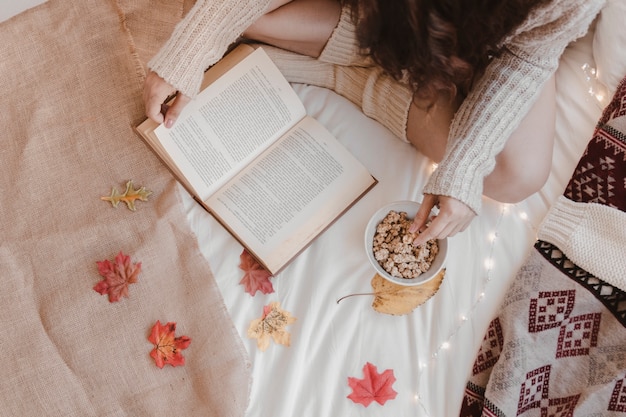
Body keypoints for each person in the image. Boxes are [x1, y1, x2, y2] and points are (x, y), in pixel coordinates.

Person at [143, 0, 605, 246]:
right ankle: (360, 51)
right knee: (215, 11)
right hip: (379, 15)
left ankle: (345, 75)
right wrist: (195, 45)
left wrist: (465, 163)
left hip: (479, 49)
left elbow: (526, 58)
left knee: (516, 175)